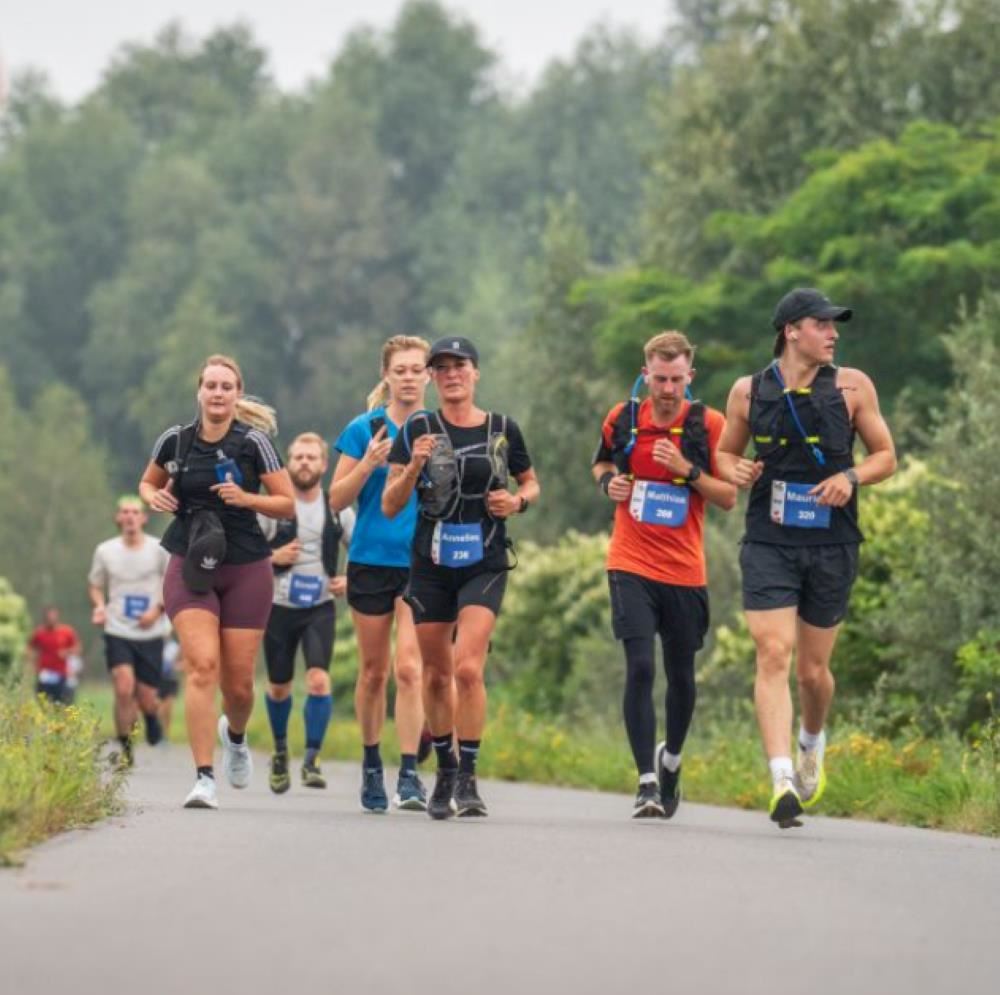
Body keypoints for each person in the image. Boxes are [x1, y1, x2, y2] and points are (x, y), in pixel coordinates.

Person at [716, 289, 896, 828]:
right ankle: (780, 779)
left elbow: (886, 456)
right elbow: (726, 452)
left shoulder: (852, 386)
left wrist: (849, 477)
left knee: (813, 672)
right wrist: (734, 469)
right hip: (769, 541)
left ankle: (811, 743)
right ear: (792, 330)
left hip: (832, 543)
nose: (833, 333)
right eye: (822, 324)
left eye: (834, 326)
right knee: (773, 652)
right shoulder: (749, 391)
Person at [383, 336, 539, 820]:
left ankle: (469, 776)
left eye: (461, 366)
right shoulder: (418, 427)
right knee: (435, 673)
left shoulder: (501, 428)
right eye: (443, 368)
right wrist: (412, 466)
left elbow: (530, 481)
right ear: (432, 377)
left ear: (475, 374)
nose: (452, 374)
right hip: (430, 563)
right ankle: (446, 765)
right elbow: (390, 504)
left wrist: (517, 502)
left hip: (484, 559)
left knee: (468, 668)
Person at [139, 354, 294, 810]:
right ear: (199, 391)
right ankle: (204, 776)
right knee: (202, 666)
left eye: (227, 386)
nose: (218, 393)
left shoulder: (255, 444)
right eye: (211, 385)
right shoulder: (176, 441)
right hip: (190, 562)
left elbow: (286, 504)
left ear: (238, 393)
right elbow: (147, 483)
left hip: (246, 564)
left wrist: (247, 498)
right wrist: (158, 496)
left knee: (240, 685)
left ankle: (237, 737)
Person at [593, 331, 736, 818]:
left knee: (681, 676)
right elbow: (601, 463)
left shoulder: (710, 424)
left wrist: (686, 469)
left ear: (689, 376)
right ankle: (646, 782)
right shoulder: (624, 417)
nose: (668, 389)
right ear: (645, 372)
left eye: (676, 379)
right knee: (640, 667)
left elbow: (728, 496)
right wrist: (608, 483)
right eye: (659, 378)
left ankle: (670, 758)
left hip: (684, 570)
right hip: (629, 561)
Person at [331, 335, 431, 812]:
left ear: (429, 375)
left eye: (417, 369)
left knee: (410, 669)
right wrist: (368, 463)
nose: (409, 377)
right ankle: (372, 764)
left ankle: (410, 773)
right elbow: (335, 499)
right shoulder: (364, 428)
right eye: (401, 369)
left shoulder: (440, 427)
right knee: (374, 673)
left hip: (423, 562)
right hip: (371, 559)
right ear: (387, 376)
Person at [259, 432, 354, 794]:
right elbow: (245, 558)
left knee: (318, 680)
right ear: (287, 463)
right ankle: (281, 750)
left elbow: (360, 550)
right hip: (278, 607)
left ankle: (312, 758)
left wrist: (350, 580)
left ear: (324, 465)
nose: (304, 463)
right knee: (279, 687)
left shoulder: (338, 509)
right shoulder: (273, 508)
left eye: (311, 457)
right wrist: (272, 558)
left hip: (319, 607)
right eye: (298, 457)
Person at [88, 495, 171, 766]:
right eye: (125, 512)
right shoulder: (105, 551)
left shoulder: (159, 548)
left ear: (143, 518)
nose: (130, 517)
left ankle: (150, 716)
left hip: (151, 630)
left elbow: (173, 583)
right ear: (118, 518)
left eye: (135, 512)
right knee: (123, 688)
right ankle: (125, 748)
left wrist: (157, 610)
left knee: (147, 697)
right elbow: (95, 585)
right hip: (118, 628)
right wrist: (100, 606)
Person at [27, 607, 80, 705]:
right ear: (45, 618)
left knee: (62, 701)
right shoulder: (39, 633)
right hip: (44, 673)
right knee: (43, 701)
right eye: (49, 616)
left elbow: (77, 648)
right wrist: (32, 663)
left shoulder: (66, 631)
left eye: (53, 616)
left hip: (62, 673)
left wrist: (66, 652)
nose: (51, 618)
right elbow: (30, 648)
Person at [159, 636, 182, 737]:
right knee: (158, 708)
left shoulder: (175, 647)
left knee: (167, 708)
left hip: (171, 680)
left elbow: (184, 663)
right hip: (157, 679)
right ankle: (157, 733)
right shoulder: (153, 644)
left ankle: (165, 734)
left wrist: (176, 666)